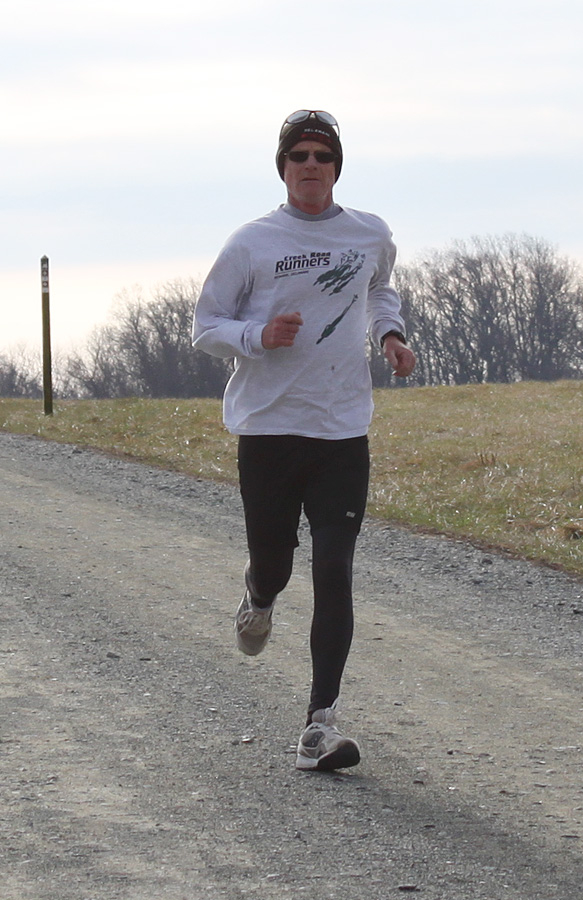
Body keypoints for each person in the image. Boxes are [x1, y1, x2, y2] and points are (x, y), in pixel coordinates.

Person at [192, 109, 415, 771]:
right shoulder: (252, 242)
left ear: (336, 166)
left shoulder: (368, 234)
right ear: (284, 168)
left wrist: (391, 335)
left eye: (322, 155)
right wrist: (258, 337)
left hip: (342, 428)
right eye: (299, 156)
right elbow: (206, 325)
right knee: (277, 565)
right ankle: (258, 594)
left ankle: (319, 724)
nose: (311, 165)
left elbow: (378, 290)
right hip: (267, 428)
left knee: (335, 569)